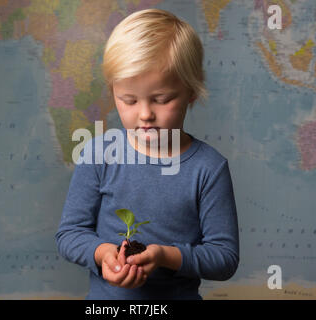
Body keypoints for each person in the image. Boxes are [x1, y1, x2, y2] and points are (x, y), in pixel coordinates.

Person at [55, 8, 239, 300]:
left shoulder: (208, 168)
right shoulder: (98, 155)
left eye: (162, 99)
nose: (144, 114)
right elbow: (70, 234)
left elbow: (224, 257)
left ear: (191, 91)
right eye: (128, 100)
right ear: (113, 91)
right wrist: (105, 255)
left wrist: (166, 256)